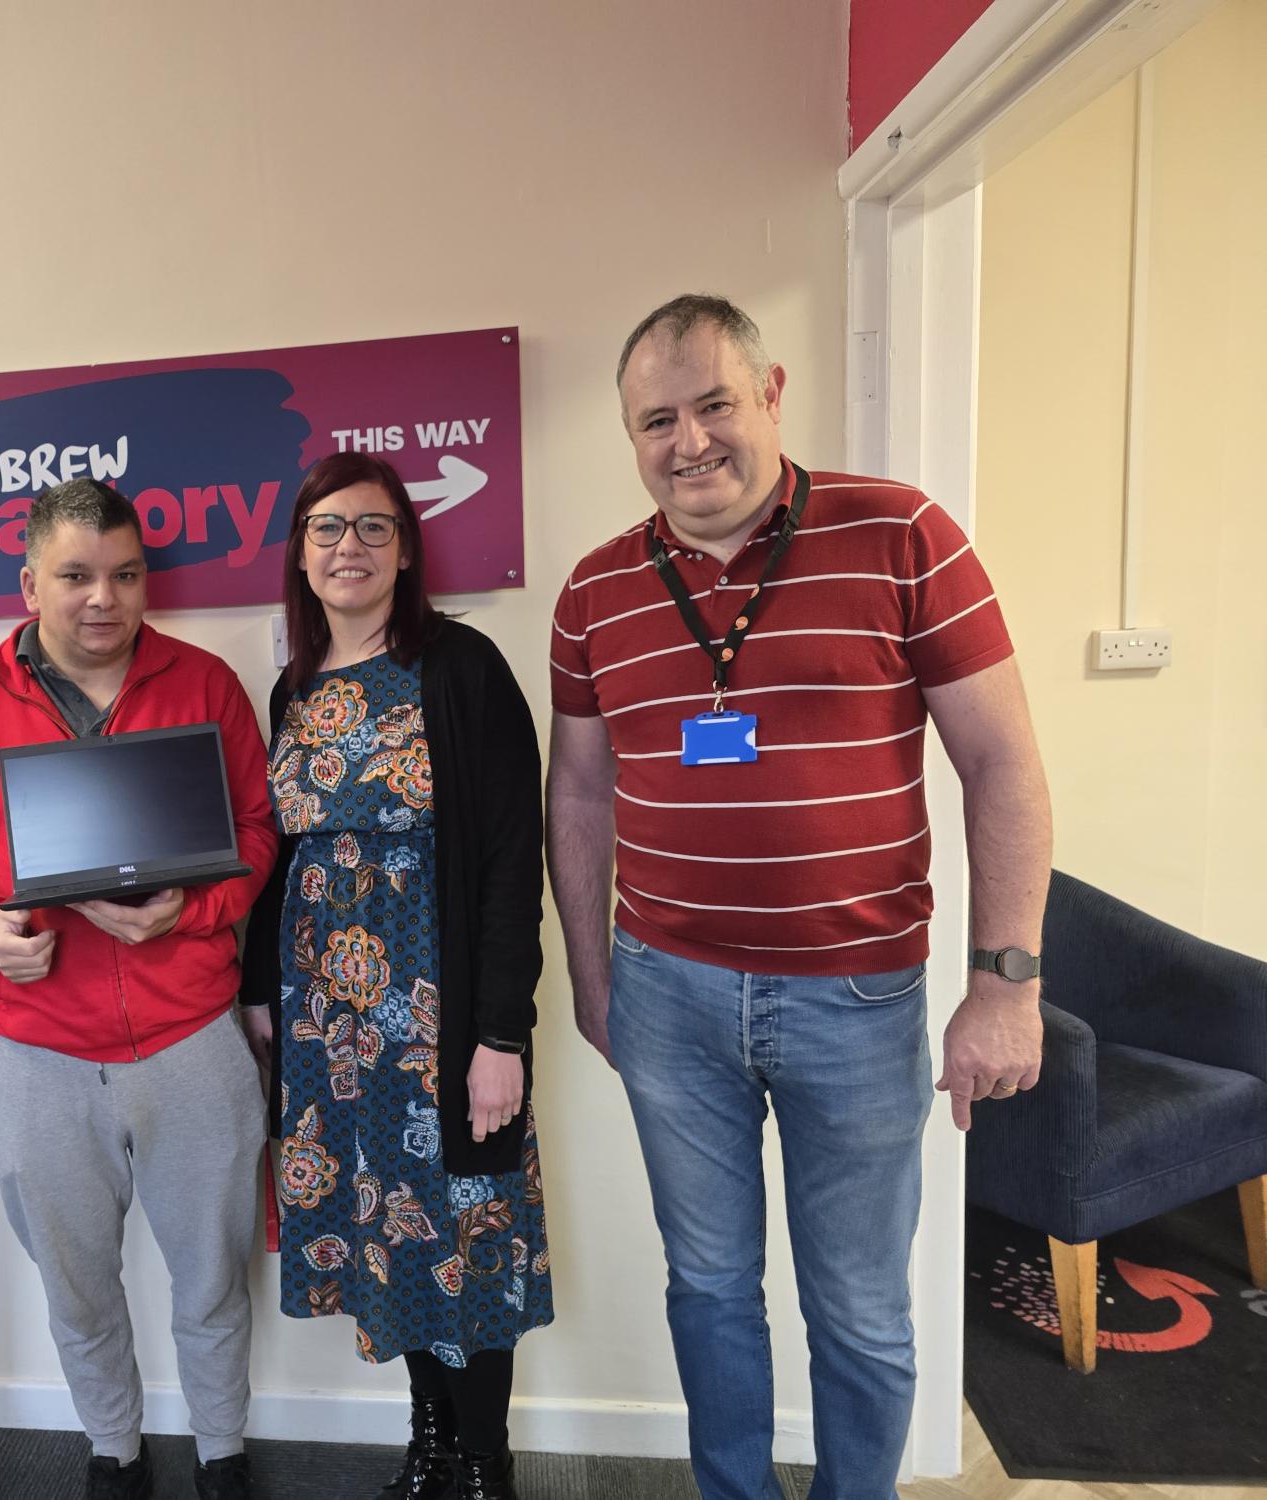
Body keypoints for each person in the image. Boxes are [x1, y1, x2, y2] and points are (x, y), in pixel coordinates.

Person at [546, 295, 1052, 1498]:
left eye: (713, 403)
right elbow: (577, 795)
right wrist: (590, 973)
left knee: (862, 1312)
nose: (688, 441)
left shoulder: (900, 533)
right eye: (655, 419)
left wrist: (1005, 985)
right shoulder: (595, 592)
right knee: (708, 1289)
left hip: (856, 998)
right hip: (664, 998)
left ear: (769, 394)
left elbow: (1003, 765)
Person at [0, 479, 277, 1500]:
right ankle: (113, 1449)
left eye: (124, 575)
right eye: (74, 576)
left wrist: (186, 915)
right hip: (37, 1051)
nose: (102, 598)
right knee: (75, 1282)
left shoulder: (204, 686)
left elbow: (254, 834)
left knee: (210, 1275)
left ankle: (221, 1450)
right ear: (29, 583)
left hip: (190, 1037)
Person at [241, 453, 552, 1500]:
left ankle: (480, 1467)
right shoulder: (294, 687)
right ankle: (428, 1443)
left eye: (371, 528)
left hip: (438, 1015)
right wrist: (258, 992)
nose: (348, 548)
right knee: (393, 1239)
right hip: (333, 1029)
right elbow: (277, 857)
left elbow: (513, 862)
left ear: (406, 548)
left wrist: (499, 1034)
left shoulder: (459, 668)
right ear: (299, 551)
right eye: (326, 529)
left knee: (462, 1228)